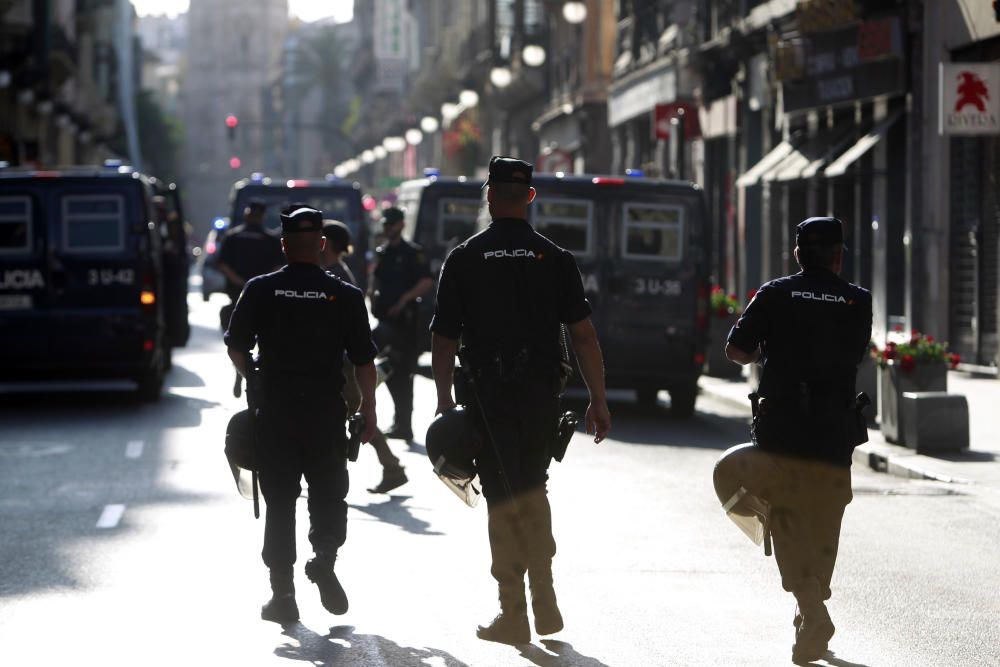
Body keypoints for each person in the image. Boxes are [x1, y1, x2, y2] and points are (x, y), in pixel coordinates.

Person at [430, 156, 612, 644]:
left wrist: (444, 398)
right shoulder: (555, 258)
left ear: (490, 197)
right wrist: (598, 399)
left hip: (488, 399)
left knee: (502, 496)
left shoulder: (465, 257)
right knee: (534, 487)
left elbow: (444, 339)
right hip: (540, 394)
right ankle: (545, 594)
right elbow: (584, 336)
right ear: (530, 197)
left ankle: (513, 610)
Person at [724, 217, 872, 664]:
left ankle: (811, 609)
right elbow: (854, 352)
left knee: (785, 519)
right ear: (839, 256)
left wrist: (765, 350)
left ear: (796, 255)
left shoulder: (774, 293)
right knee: (825, 519)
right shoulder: (857, 300)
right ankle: (812, 607)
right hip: (833, 431)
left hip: (782, 430)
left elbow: (736, 349)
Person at [225, 204, 379, 625]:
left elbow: (236, 346)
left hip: (275, 412)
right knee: (329, 493)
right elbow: (365, 361)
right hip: (326, 412)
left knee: (280, 501)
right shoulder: (345, 296)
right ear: (323, 245)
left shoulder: (260, 289)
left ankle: (284, 596)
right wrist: (368, 409)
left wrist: (253, 375)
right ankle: (325, 555)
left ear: (284, 244)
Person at [322, 220, 408, 494]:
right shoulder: (332, 272)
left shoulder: (336, 276)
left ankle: (392, 467)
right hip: (340, 361)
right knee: (351, 415)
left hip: (344, 363)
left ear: (329, 244)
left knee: (358, 416)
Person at [370, 206, 434, 441]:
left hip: (405, 323)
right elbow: (376, 279)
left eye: (391, 225)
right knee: (389, 371)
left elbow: (426, 281)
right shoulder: (384, 252)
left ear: (400, 225)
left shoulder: (412, 253)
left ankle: (405, 424)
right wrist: (372, 294)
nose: (387, 228)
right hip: (385, 318)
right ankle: (399, 421)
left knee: (403, 372)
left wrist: (404, 300)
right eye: (385, 224)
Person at [217, 199, 284, 306]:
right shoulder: (270, 240)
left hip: (254, 289)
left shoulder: (233, 237)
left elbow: (279, 266)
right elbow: (222, 264)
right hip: (246, 289)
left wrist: (242, 282)